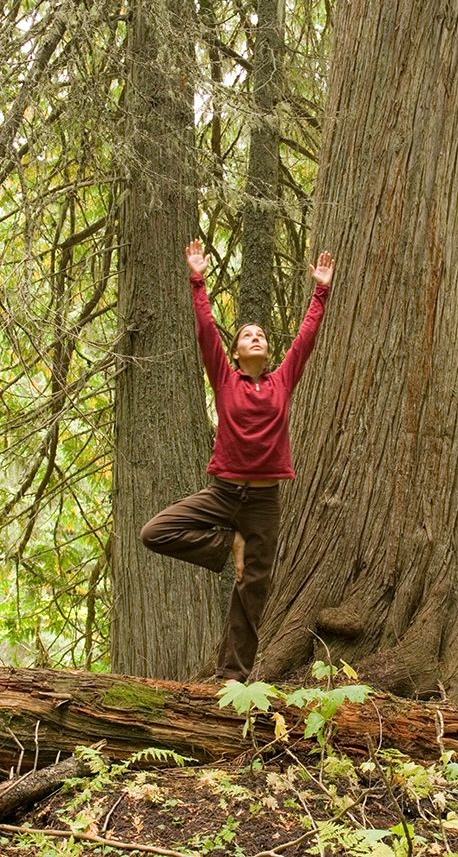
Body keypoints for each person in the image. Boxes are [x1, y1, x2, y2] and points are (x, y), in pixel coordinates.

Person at [140, 240, 334, 682]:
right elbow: (206, 330)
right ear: (237, 350)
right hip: (223, 495)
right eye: (248, 335)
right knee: (155, 532)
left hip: (264, 504)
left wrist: (320, 292)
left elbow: (305, 339)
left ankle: (232, 678)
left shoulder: (282, 381)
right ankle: (228, 542)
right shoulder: (224, 380)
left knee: (253, 593)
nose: (257, 338)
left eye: (262, 335)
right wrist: (197, 280)